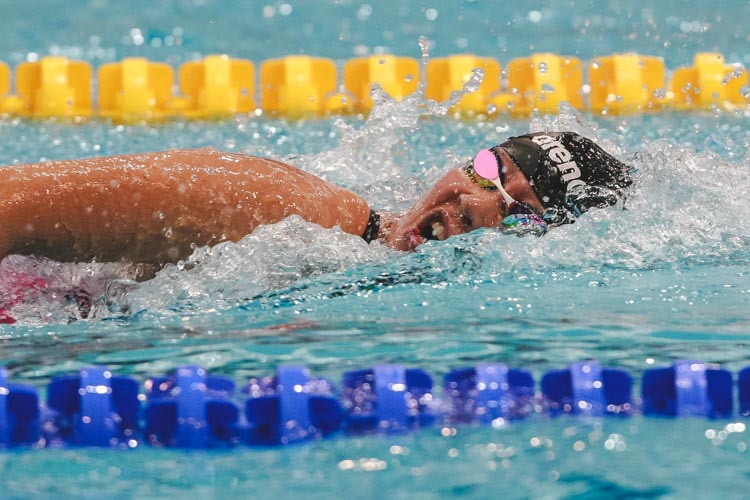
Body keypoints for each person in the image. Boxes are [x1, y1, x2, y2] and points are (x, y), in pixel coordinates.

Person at [0, 130, 632, 277]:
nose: (479, 204)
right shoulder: (277, 206)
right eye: (492, 170)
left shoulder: (346, 252)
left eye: (522, 210)